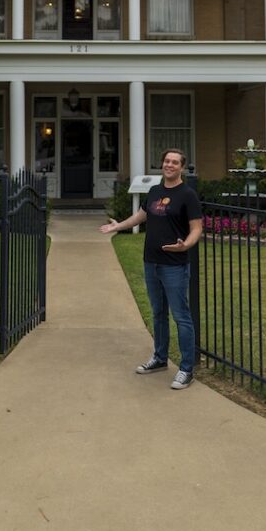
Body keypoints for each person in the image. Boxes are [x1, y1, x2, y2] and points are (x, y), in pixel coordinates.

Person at [100, 148, 203, 389]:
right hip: (152, 262)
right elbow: (141, 216)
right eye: (166, 160)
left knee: (181, 316)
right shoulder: (155, 190)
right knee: (158, 313)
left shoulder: (187, 195)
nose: (169, 165)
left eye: (175, 162)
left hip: (174, 265)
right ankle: (159, 358)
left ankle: (186, 369)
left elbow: (197, 228)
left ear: (181, 167)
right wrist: (119, 226)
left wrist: (185, 245)